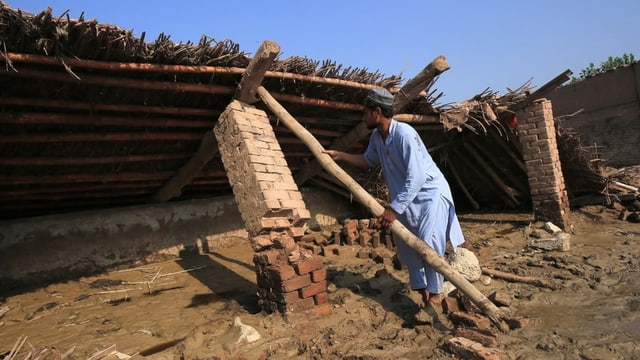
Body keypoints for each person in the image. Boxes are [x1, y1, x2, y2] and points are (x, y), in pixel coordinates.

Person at [323, 88, 465, 308]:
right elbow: (368, 160)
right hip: (406, 197)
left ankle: (436, 295)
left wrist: (393, 209)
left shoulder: (404, 134)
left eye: (365, 112)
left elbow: (417, 177)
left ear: (377, 112)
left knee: (429, 242)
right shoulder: (377, 138)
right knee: (408, 244)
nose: (363, 117)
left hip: (429, 194)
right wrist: (340, 156)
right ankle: (422, 292)